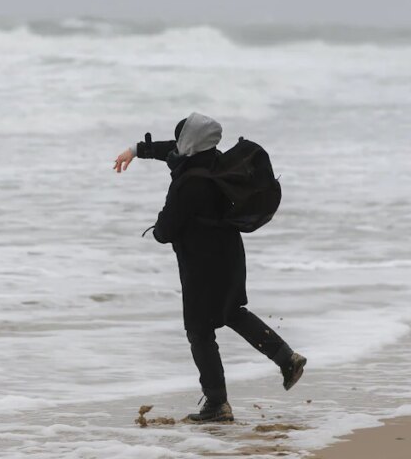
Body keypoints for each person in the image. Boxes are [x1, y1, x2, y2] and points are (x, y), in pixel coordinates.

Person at [113, 113, 306, 423]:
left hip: (202, 264)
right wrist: (136, 150)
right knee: (233, 313)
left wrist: (158, 231)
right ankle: (287, 358)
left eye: (180, 139)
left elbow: (167, 229)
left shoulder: (189, 183)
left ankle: (217, 403)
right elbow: (170, 151)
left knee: (199, 332)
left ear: (189, 143)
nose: (176, 145)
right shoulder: (215, 162)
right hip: (230, 255)